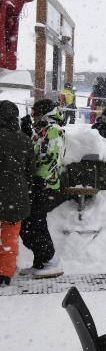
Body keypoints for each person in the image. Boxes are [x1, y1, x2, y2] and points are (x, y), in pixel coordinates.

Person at [19, 99, 66, 278]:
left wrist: (39, 178)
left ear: (45, 113)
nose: (33, 116)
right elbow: (34, 152)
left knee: (35, 224)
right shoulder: (42, 131)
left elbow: (51, 157)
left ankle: (50, 260)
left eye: (36, 112)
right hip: (35, 183)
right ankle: (40, 261)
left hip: (44, 185)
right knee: (29, 224)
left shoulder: (54, 131)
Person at [0, 101, 34, 286]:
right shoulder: (25, 140)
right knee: (9, 236)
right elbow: (31, 171)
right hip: (16, 194)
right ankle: (5, 273)